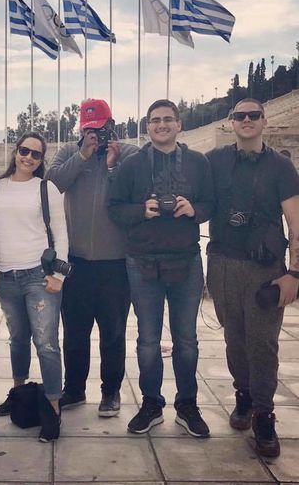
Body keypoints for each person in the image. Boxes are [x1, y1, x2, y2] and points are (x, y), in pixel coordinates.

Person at [108, 99, 214, 438]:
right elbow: (114, 209)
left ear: (179, 124)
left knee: (187, 340)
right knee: (148, 341)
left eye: (168, 119)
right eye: (155, 120)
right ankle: (151, 403)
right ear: (147, 126)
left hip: (186, 261)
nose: (161, 125)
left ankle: (187, 405)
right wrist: (143, 210)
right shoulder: (131, 164)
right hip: (142, 263)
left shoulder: (198, 163)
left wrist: (193, 209)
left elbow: (212, 203)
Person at [206, 98, 299, 457]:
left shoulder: (281, 167)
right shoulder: (214, 161)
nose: (246, 120)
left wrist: (293, 274)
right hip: (223, 265)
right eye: (240, 115)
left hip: (264, 270)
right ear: (231, 122)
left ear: (264, 120)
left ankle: (264, 413)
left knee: (263, 344)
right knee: (235, 338)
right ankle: (242, 395)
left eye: (253, 115)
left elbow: (295, 225)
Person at [46, 99, 137, 416]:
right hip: (76, 261)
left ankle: (111, 392)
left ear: (112, 124)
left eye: (100, 129)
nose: (94, 135)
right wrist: (82, 155)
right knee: (74, 331)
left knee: (113, 332)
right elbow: (52, 185)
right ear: (80, 129)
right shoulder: (69, 152)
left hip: (116, 262)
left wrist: (112, 165)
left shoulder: (128, 154)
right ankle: (74, 389)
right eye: (88, 130)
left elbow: (132, 194)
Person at [0, 132, 68, 442]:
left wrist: (59, 276)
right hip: (7, 275)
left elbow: (62, 235)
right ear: (15, 151)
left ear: (41, 160)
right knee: (17, 340)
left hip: (38, 275)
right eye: (24, 150)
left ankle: (53, 408)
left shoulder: (45, 187)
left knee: (47, 343)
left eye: (36, 155)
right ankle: (19, 392)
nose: (28, 158)